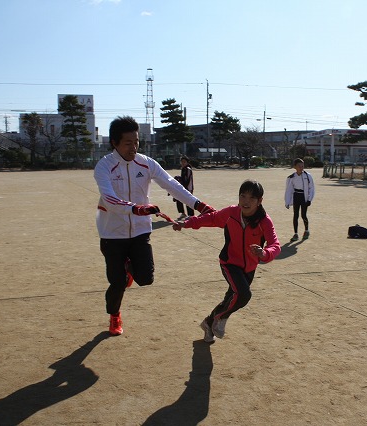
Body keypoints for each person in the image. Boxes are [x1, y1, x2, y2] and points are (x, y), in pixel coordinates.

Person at [94, 116, 214, 336]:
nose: (134, 147)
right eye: (128, 143)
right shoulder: (104, 166)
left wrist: (199, 205)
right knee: (117, 283)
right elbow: (109, 199)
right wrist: (136, 209)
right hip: (112, 232)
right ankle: (114, 315)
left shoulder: (146, 163)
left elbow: (171, 184)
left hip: (140, 230)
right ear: (114, 143)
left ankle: (129, 268)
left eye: (136, 142)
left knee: (146, 278)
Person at [173, 179, 281, 342]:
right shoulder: (231, 213)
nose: (246, 201)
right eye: (243, 196)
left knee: (230, 299)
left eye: (252, 198)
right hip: (229, 263)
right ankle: (220, 317)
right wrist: (186, 223)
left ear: (260, 201)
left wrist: (264, 253)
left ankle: (208, 323)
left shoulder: (264, 221)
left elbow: (275, 245)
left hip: (249, 267)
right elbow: (211, 218)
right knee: (243, 295)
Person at [284, 158, 314, 241]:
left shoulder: (308, 176)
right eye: (299, 166)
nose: (301, 168)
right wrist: (287, 201)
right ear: (295, 167)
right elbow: (289, 190)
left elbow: (311, 188)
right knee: (295, 215)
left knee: (303, 215)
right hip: (296, 196)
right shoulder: (291, 177)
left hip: (304, 197)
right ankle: (296, 233)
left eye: (302, 166)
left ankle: (306, 230)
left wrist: (309, 199)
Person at [173, 156, 195, 220]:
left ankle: (191, 215)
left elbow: (187, 180)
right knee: (178, 199)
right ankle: (183, 213)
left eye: (184, 162)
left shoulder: (188, 169)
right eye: (182, 162)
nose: (183, 163)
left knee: (188, 200)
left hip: (188, 188)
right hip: (183, 187)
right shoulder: (183, 169)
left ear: (187, 162)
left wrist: (183, 187)